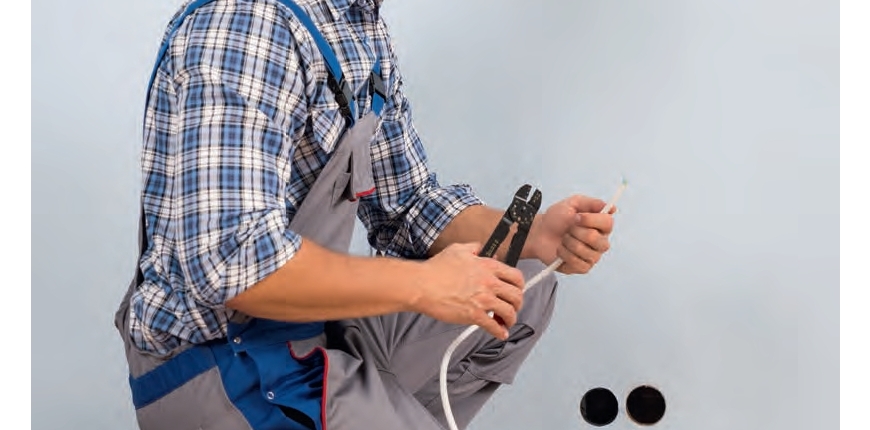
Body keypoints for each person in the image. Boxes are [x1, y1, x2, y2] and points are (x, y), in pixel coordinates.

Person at [113, 0, 616, 429]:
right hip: (222, 364)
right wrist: (426, 286)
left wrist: (537, 235)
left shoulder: (356, 25)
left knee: (521, 281)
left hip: (309, 334)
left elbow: (410, 204)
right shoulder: (249, 24)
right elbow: (231, 261)